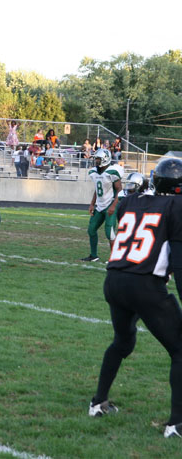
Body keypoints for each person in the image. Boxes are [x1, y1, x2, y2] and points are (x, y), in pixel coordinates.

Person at [88, 157, 182, 439]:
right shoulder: (176, 207)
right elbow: (178, 263)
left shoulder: (132, 201)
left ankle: (98, 403)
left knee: (123, 341)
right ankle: (176, 424)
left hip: (114, 280)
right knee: (179, 350)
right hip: (145, 285)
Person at [82, 149, 123, 262]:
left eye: (98, 159)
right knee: (91, 229)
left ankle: (114, 258)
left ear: (105, 159)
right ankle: (94, 255)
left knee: (109, 232)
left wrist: (114, 205)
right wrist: (92, 204)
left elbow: (120, 189)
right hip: (99, 206)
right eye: (96, 159)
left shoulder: (112, 172)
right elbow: (97, 189)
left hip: (110, 204)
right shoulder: (94, 172)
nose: (96, 161)